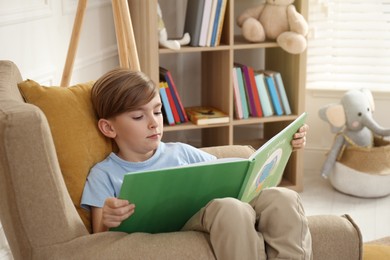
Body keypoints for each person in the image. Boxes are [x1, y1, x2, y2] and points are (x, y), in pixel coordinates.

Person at [81, 68, 312, 259]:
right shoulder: (104, 174)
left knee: (284, 198)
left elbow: (232, 175)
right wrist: (109, 221)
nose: (154, 123)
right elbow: (97, 240)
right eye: (138, 117)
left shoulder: (182, 152)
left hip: (214, 212)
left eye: (158, 112)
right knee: (231, 209)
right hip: (185, 226)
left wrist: (286, 147)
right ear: (109, 128)